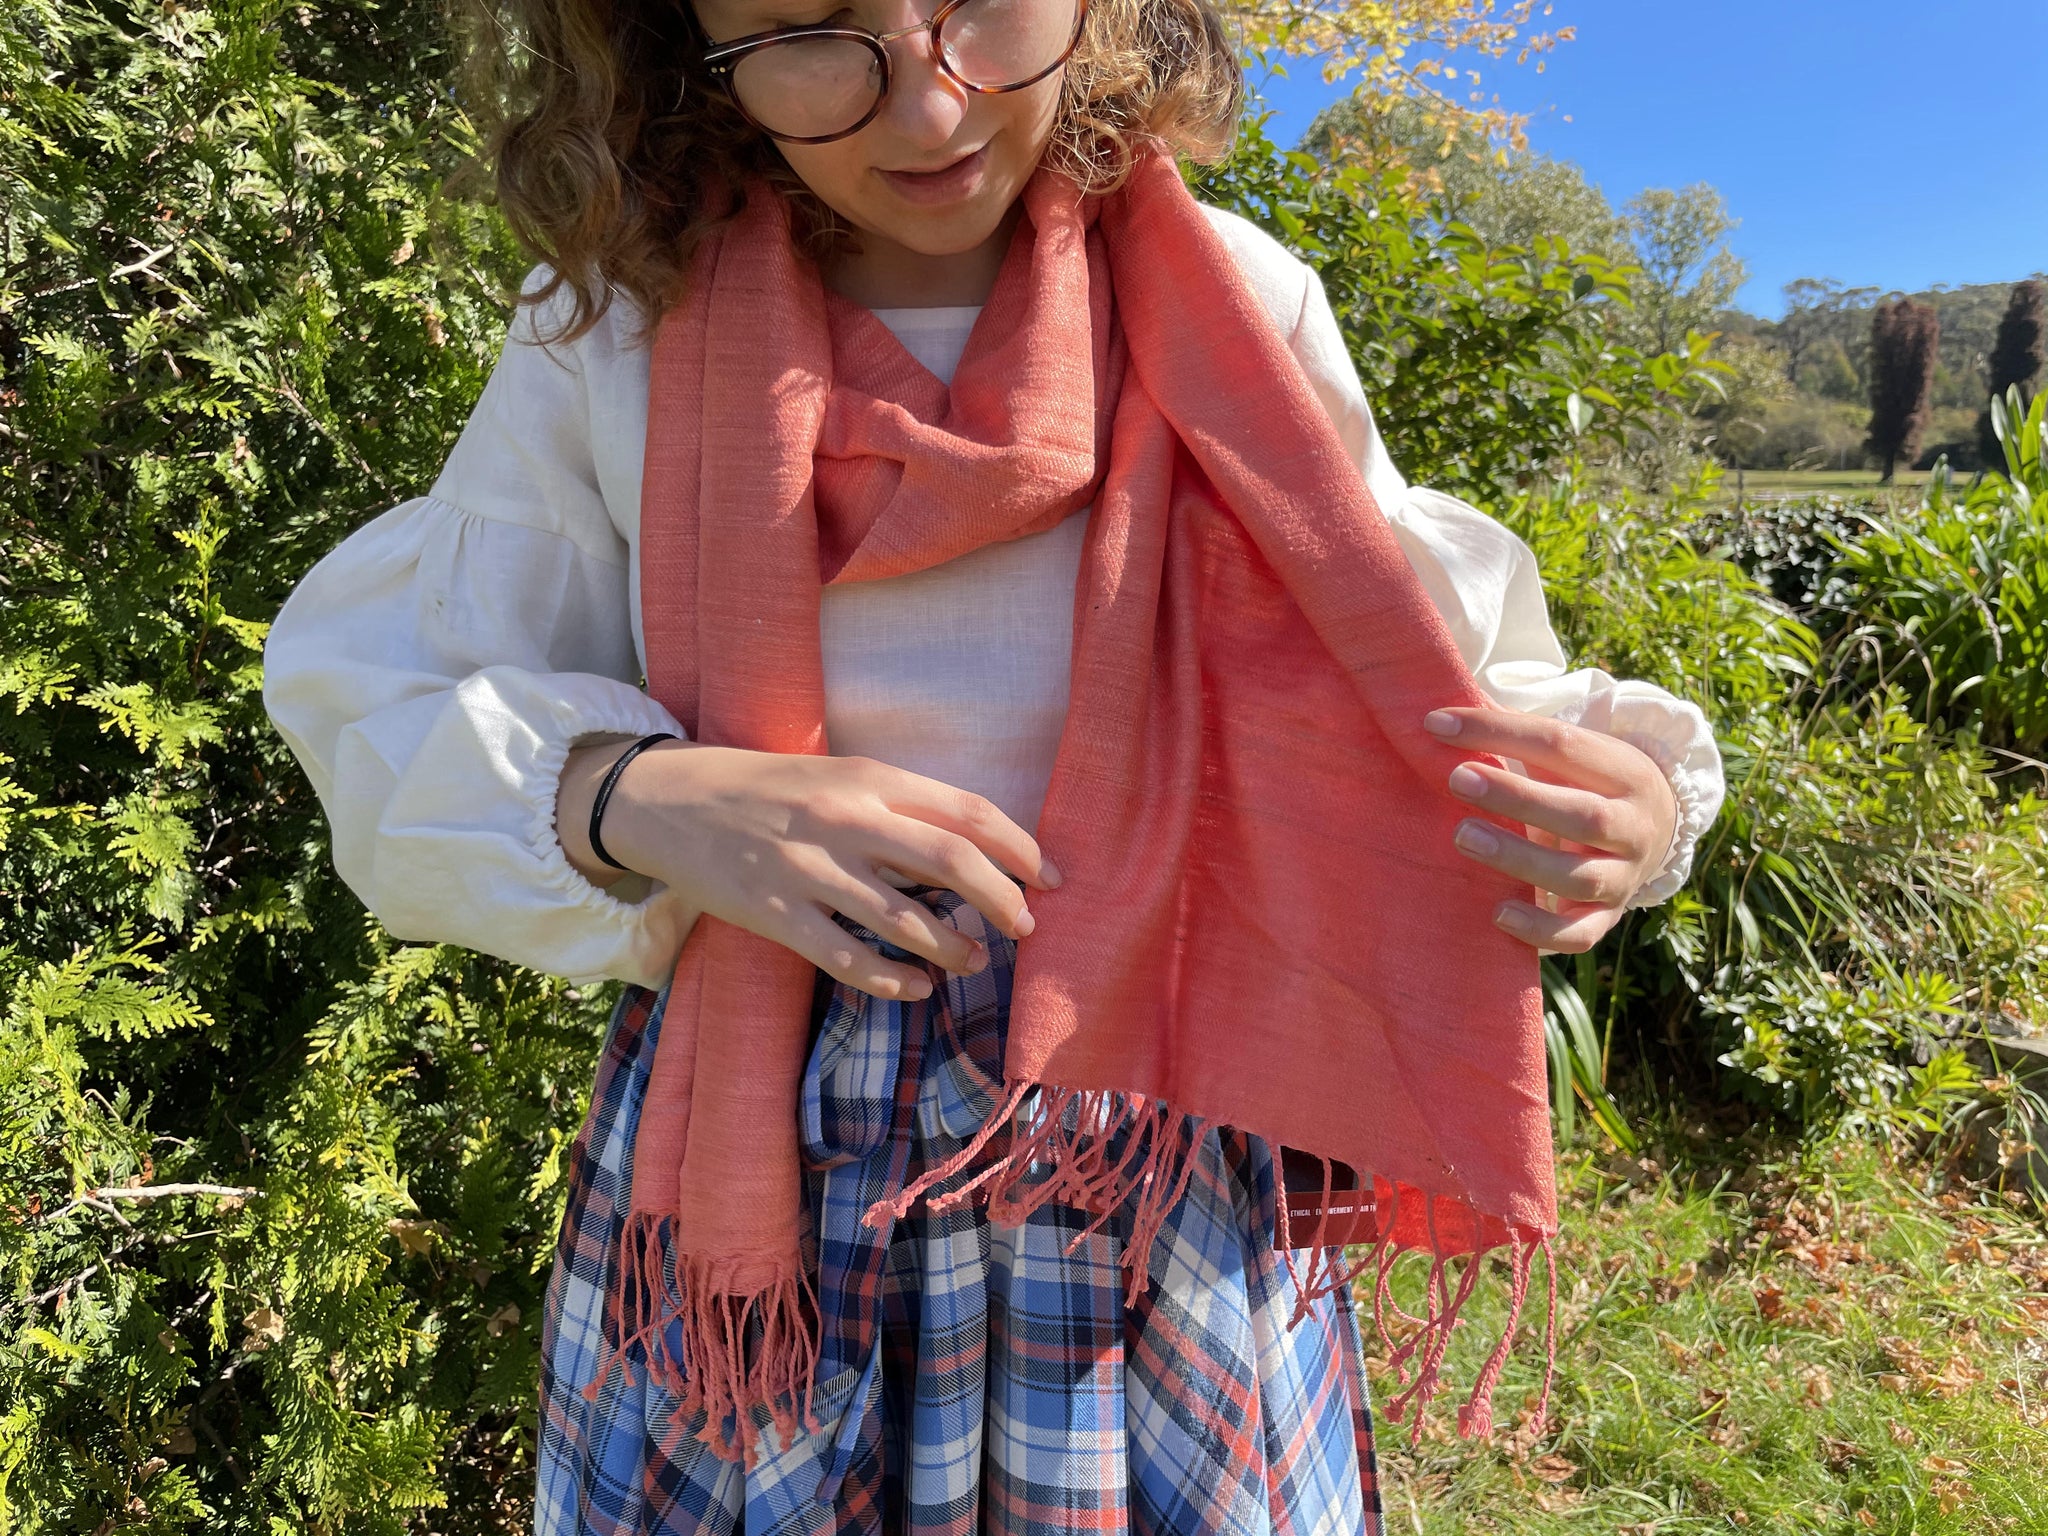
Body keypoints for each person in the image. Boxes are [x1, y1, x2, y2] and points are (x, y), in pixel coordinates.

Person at [262, 0, 1724, 1526]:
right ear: (678, 39)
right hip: (769, 1143)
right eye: (814, 33)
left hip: (1151, 1133)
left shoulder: (1234, 305)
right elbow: (389, 697)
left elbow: (1425, 663)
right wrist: (642, 798)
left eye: (978, 5)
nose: (930, 109)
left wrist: (1624, 800)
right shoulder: (621, 329)